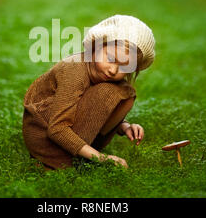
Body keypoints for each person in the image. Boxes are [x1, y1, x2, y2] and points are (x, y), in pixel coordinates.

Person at [22, 14, 156, 170]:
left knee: (123, 90)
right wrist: (102, 158)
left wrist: (124, 126)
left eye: (125, 67)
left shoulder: (104, 75)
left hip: (66, 129)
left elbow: (91, 108)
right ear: (97, 46)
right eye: (111, 58)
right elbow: (57, 129)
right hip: (44, 137)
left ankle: (84, 151)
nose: (113, 70)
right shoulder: (75, 72)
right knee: (109, 93)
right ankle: (58, 161)